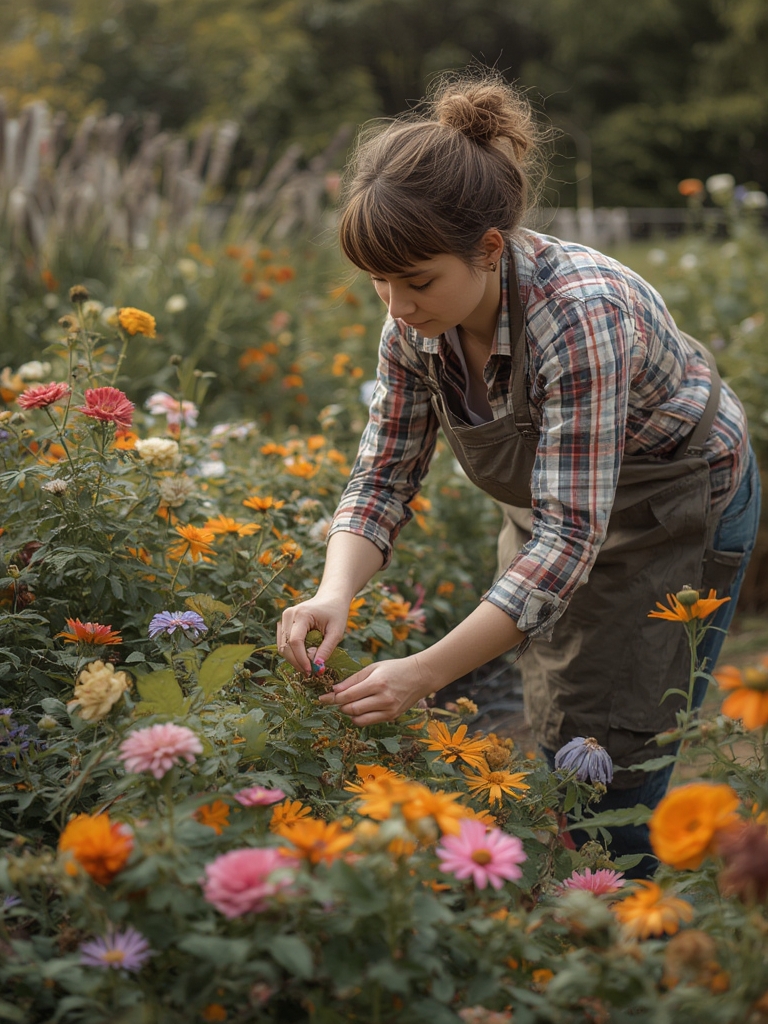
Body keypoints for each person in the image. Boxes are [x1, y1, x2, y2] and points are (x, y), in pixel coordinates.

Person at [277, 72, 761, 870]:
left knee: (613, 762)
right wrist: (334, 591)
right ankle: (579, 916)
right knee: (561, 715)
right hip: (560, 514)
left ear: (489, 249)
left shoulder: (580, 314)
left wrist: (423, 672)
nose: (394, 307)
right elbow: (383, 477)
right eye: (379, 284)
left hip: (672, 506)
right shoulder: (414, 324)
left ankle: (629, 937)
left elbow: (571, 540)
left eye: (417, 281)